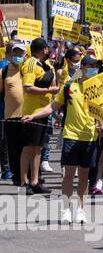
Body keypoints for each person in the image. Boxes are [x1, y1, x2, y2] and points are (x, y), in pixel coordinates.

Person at [24, 55, 101, 223]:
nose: (94, 68)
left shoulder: (101, 89)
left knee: (84, 175)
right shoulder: (69, 87)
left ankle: (81, 209)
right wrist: (34, 115)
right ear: (83, 68)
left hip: (90, 137)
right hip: (71, 135)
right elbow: (52, 107)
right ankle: (66, 209)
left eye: (96, 65)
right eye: (91, 65)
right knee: (68, 174)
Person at [18, 38, 57, 195]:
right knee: (28, 147)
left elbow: (53, 83)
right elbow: (28, 88)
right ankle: (24, 181)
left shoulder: (46, 65)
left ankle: (35, 181)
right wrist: (48, 91)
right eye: (48, 49)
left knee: (38, 148)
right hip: (32, 112)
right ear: (44, 50)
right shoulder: (30, 64)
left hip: (44, 111)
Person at [3, 42, 26, 186]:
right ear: (9, 55)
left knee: (28, 148)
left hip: (29, 116)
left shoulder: (30, 71)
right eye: (15, 53)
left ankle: (29, 177)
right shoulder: (4, 72)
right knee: (13, 148)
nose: (18, 56)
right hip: (11, 116)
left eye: (20, 54)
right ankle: (17, 176)